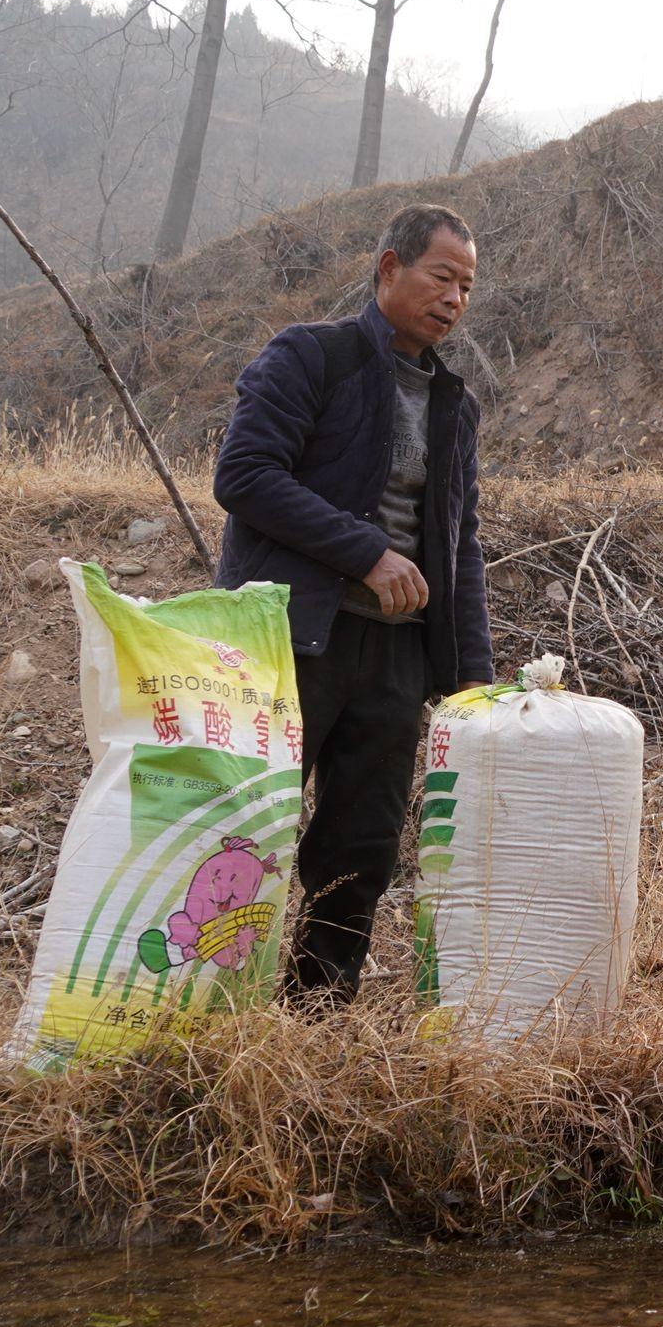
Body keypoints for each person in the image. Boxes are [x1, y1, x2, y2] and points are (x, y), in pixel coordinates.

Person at [212, 202, 494, 1005]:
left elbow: (458, 544)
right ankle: (209, 1013)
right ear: (388, 269)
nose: (454, 299)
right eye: (442, 277)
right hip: (294, 641)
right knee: (247, 829)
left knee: (361, 846)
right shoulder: (312, 356)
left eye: (467, 288)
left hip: (398, 660)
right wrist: (365, 552)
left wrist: (472, 680)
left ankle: (315, 1019)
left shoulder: (454, 406)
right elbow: (246, 476)